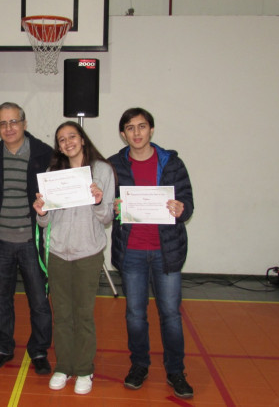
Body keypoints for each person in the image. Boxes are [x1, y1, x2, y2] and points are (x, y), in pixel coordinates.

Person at [108, 107, 195, 399]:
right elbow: (104, 203)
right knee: (135, 314)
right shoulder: (113, 165)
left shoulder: (172, 163)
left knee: (170, 314)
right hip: (131, 251)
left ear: (152, 130)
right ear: (123, 134)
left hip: (165, 251)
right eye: (130, 128)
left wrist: (181, 209)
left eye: (142, 126)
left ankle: (176, 371)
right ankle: (139, 366)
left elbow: (187, 202)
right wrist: (112, 207)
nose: (136, 133)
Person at [32, 121, 115, 395]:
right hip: (57, 253)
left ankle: (84, 369)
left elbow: (106, 217)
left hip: (88, 253)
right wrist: (42, 212)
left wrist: (98, 200)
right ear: (58, 147)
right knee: (62, 315)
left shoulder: (102, 170)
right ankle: (63, 366)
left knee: (83, 315)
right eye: (62, 139)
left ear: (82, 138)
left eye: (72, 136)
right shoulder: (52, 174)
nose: (68, 142)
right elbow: (45, 223)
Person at [0, 102, 53, 375]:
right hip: (0, 241)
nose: (8, 128)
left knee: (39, 301)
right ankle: (3, 348)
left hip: (32, 241)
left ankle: (39, 351)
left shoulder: (45, 154)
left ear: (24, 123)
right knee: (0, 300)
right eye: (3, 123)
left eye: (13, 121)